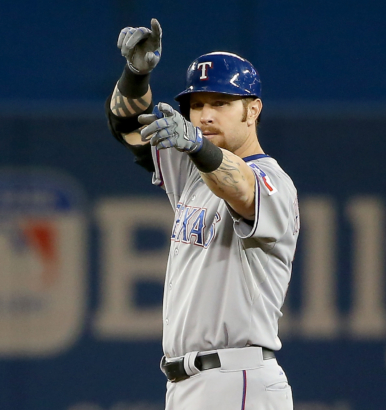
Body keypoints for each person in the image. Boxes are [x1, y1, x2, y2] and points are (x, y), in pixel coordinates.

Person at [105, 18, 299, 410]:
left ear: (253, 109)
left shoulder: (273, 180)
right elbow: (127, 127)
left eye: (221, 103)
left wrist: (197, 147)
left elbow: (241, 187)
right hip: (183, 384)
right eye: (197, 105)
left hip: (238, 379)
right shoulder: (191, 169)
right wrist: (135, 75)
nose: (205, 115)